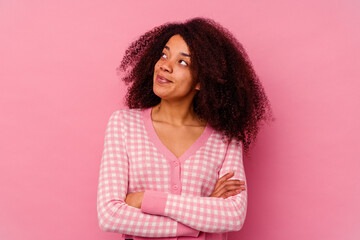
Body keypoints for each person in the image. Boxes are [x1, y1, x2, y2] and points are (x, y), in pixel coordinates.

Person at [97, 17, 272, 240]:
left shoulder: (225, 138)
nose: (164, 66)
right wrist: (203, 212)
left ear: (201, 81)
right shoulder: (124, 125)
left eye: (182, 62)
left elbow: (233, 215)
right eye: (164, 54)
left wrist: (145, 200)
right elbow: (110, 214)